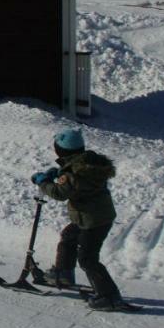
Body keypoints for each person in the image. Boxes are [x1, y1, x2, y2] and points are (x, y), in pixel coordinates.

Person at [32, 128, 127, 310]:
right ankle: (64, 273)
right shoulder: (86, 163)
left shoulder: (73, 173)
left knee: (88, 259)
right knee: (69, 236)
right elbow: (75, 179)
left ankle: (109, 296)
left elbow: (60, 193)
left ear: (61, 151)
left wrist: (43, 182)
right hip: (94, 216)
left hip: (92, 221)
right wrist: (59, 174)